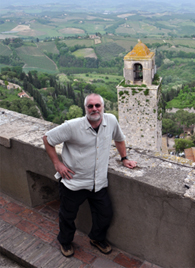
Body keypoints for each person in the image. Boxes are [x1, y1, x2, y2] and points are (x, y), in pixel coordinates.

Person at [43, 93, 136, 257]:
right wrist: (57, 164)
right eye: (90, 106)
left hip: (98, 183)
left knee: (105, 213)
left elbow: (119, 139)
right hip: (74, 182)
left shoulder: (111, 121)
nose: (94, 109)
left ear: (103, 107)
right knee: (67, 216)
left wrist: (124, 158)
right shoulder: (72, 126)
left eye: (97, 105)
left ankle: (96, 238)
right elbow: (47, 139)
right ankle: (65, 242)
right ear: (85, 108)